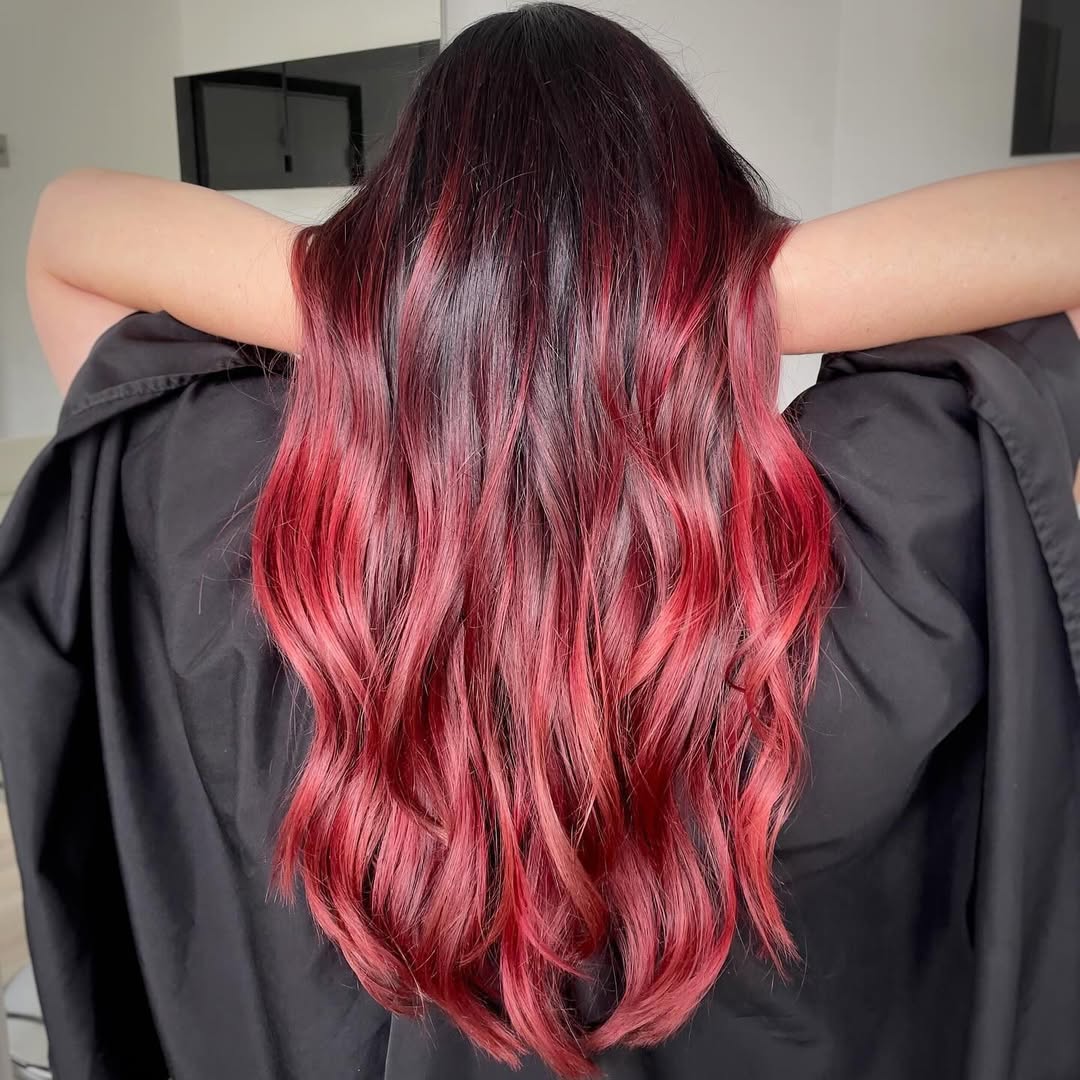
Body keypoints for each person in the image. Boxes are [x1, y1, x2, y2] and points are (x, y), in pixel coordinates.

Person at [2, 5, 1079, 1079]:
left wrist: (408, 305)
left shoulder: (256, 548)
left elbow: (69, 234)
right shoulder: (858, 561)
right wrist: (701, 295)